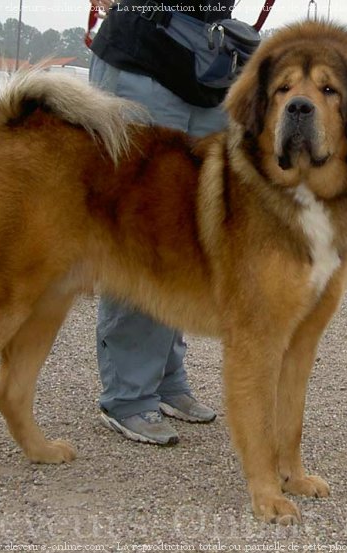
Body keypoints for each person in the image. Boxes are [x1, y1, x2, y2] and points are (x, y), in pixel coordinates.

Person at [87, 0, 237, 445]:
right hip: (141, 59)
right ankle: (128, 396)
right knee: (140, 233)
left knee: (187, 239)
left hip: (202, 63)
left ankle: (167, 380)